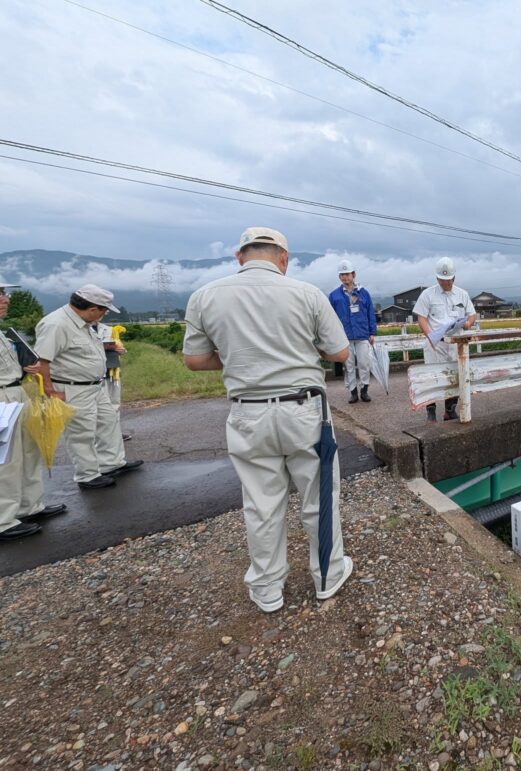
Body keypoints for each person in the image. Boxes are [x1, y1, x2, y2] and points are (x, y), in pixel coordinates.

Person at [183, 226, 354, 613]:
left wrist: (241, 357)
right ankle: (327, 576)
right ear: (283, 259)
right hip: (304, 409)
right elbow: (340, 353)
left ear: (239, 256)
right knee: (319, 496)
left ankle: (267, 588)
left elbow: (194, 360)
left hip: (248, 411)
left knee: (261, 504)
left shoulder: (205, 296)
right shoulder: (306, 293)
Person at [34, 285, 143, 489]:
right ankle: (87, 475)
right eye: (104, 310)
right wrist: (50, 391)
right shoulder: (56, 324)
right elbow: (41, 361)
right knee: (81, 432)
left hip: (94, 385)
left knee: (108, 422)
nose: (104, 315)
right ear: (93, 309)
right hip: (71, 387)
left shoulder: (83, 323)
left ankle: (111, 463)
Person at [0, 282, 68, 541]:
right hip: (2, 398)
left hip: (16, 392)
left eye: (4, 293)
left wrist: (24, 369)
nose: (6, 299)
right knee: (5, 460)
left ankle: (29, 506)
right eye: (0, 294)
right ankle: (3, 520)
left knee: (29, 451)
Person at [412, 257, 477, 422]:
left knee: (455, 376)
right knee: (432, 378)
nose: (445, 283)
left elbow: (472, 314)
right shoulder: (427, 294)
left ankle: (450, 410)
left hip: (455, 344)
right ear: (437, 278)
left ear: (454, 277)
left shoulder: (462, 294)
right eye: (442, 280)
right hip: (436, 344)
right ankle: (431, 412)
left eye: (448, 280)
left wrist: (468, 323)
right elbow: (421, 318)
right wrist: (430, 337)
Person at [327, 259, 377, 404]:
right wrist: (333, 334)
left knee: (364, 363)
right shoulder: (334, 295)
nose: (345, 277)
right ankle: (353, 392)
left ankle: (364, 390)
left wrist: (372, 332)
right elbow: (330, 317)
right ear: (339, 277)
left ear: (353, 274)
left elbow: (370, 313)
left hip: (362, 334)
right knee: (348, 366)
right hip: (344, 336)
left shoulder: (363, 293)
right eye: (342, 275)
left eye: (347, 274)